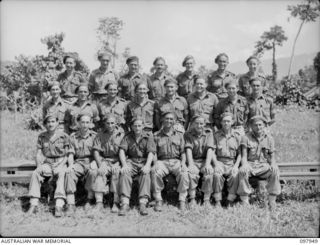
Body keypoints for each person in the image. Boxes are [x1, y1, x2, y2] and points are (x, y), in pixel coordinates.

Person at [27, 113, 69, 217]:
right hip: (48, 163)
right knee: (35, 173)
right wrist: (39, 165)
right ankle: (33, 204)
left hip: (60, 162)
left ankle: (59, 204)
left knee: (62, 174)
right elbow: (39, 153)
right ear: (45, 124)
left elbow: (68, 155)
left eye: (53, 121)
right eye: (48, 122)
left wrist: (60, 165)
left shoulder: (64, 136)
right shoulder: (42, 136)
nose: (50, 124)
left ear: (57, 123)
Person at [237, 116, 281, 211]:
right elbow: (244, 156)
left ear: (264, 125)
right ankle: (245, 200)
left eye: (260, 125)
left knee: (275, 171)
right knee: (242, 172)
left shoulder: (269, 139)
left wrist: (273, 164)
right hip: (250, 165)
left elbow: (272, 155)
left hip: (263, 166)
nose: (258, 127)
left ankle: (272, 200)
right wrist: (244, 165)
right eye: (255, 125)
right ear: (251, 126)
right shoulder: (246, 138)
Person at [118, 117, 156, 216]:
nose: (137, 127)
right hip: (132, 161)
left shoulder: (148, 136)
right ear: (131, 127)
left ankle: (143, 203)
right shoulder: (127, 136)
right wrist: (124, 165)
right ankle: (125, 203)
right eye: (135, 125)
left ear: (143, 126)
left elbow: (151, 152)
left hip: (144, 161)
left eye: (139, 125)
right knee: (125, 173)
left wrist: (147, 165)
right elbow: (122, 150)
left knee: (145, 174)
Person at [151, 112, 189, 211]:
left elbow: (183, 152)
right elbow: (153, 152)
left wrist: (184, 164)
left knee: (184, 173)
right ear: (162, 120)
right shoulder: (156, 135)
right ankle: (158, 199)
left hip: (176, 161)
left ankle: (182, 200)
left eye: (171, 119)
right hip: (162, 161)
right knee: (154, 172)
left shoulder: (180, 135)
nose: (169, 121)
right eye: (166, 118)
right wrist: (155, 163)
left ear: (175, 121)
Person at [64, 113, 97, 215]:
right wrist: (70, 165)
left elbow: (99, 153)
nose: (85, 125)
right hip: (78, 162)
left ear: (91, 123)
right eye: (82, 122)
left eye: (87, 122)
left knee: (93, 172)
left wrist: (95, 162)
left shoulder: (95, 136)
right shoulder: (73, 137)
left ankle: (89, 200)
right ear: (78, 123)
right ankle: (71, 203)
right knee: (69, 173)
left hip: (91, 161)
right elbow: (70, 153)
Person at [91, 114, 125, 212]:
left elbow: (125, 152)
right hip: (105, 160)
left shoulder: (122, 134)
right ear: (105, 124)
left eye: (112, 123)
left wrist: (119, 163)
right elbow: (96, 151)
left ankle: (115, 202)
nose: (110, 125)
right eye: (108, 123)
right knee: (99, 172)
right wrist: (100, 164)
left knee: (116, 174)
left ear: (116, 123)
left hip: (118, 161)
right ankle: (99, 202)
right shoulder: (100, 134)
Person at [184, 114, 214, 208]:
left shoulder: (209, 134)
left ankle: (206, 199)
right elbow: (188, 149)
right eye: (196, 123)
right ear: (192, 124)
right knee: (192, 173)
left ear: (204, 124)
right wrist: (191, 164)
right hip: (194, 160)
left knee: (209, 173)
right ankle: (192, 198)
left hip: (205, 160)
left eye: (201, 123)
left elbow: (210, 149)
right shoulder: (188, 134)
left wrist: (208, 164)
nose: (199, 126)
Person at [212, 112, 241, 207]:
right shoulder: (216, 135)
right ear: (221, 122)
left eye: (228, 121)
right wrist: (216, 164)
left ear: (232, 122)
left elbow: (240, 154)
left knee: (235, 174)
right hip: (219, 161)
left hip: (232, 162)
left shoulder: (237, 136)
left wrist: (236, 166)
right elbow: (212, 152)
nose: (226, 123)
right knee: (216, 174)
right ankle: (217, 200)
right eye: (224, 121)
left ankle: (230, 200)